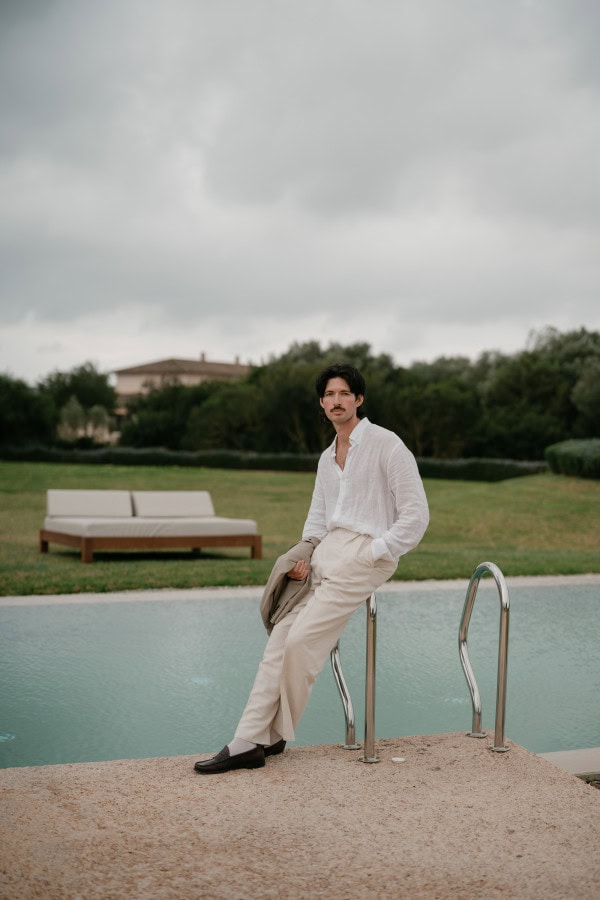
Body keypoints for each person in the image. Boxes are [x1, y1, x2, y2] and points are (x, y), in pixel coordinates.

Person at [194, 363, 429, 773]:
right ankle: (248, 740)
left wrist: (377, 550)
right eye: (329, 395)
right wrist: (303, 556)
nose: (336, 401)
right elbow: (318, 519)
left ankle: (273, 733)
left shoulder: (387, 445)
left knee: (302, 641)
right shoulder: (325, 458)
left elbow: (416, 514)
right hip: (325, 554)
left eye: (344, 394)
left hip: (363, 556)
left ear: (359, 399)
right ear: (321, 403)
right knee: (280, 638)